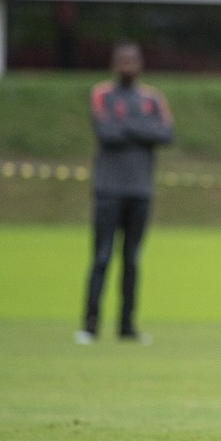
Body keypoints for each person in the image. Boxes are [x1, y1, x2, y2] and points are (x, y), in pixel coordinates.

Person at [76, 41, 174, 345]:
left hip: (140, 189)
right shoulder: (102, 94)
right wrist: (141, 131)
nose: (127, 66)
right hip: (108, 188)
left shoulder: (152, 98)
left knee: (131, 259)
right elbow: (106, 133)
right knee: (102, 256)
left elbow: (165, 134)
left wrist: (127, 128)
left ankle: (127, 325)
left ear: (140, 64)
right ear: (114, 64)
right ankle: (90, 325)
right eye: (122, 60)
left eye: (132, 60)